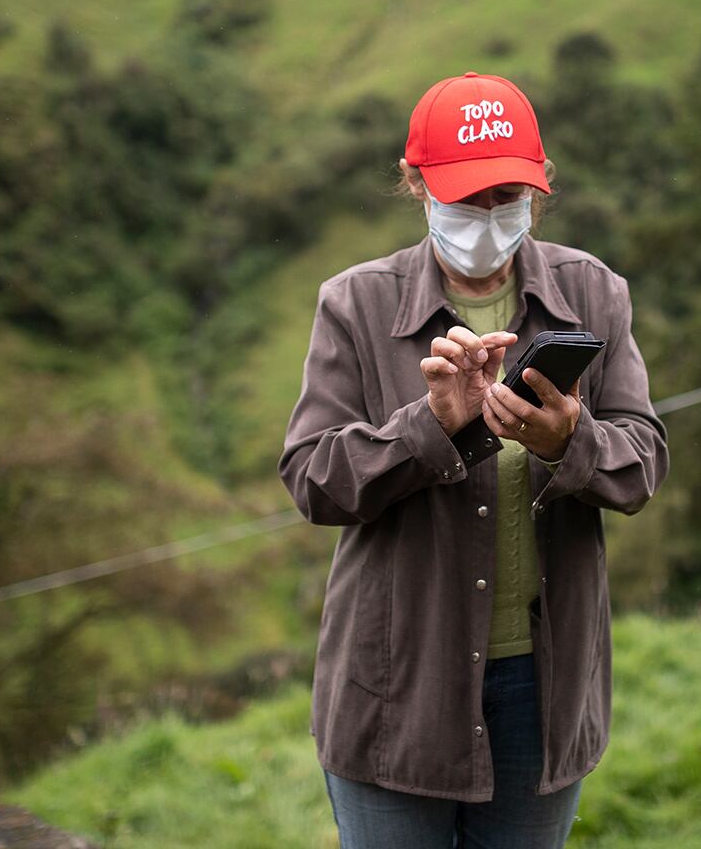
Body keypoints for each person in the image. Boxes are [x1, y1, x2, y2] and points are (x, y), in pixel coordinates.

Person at [280, 71, 670, 848]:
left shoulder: (594, 294)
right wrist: (429, 425)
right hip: (396, 687)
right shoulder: (355, 305)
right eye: (465, 201)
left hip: (542, 687)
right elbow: (314, 479)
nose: (487, 221)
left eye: (506, 200)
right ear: (417, 186)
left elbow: (642, 462)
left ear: (542, 188)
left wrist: (569, 441)